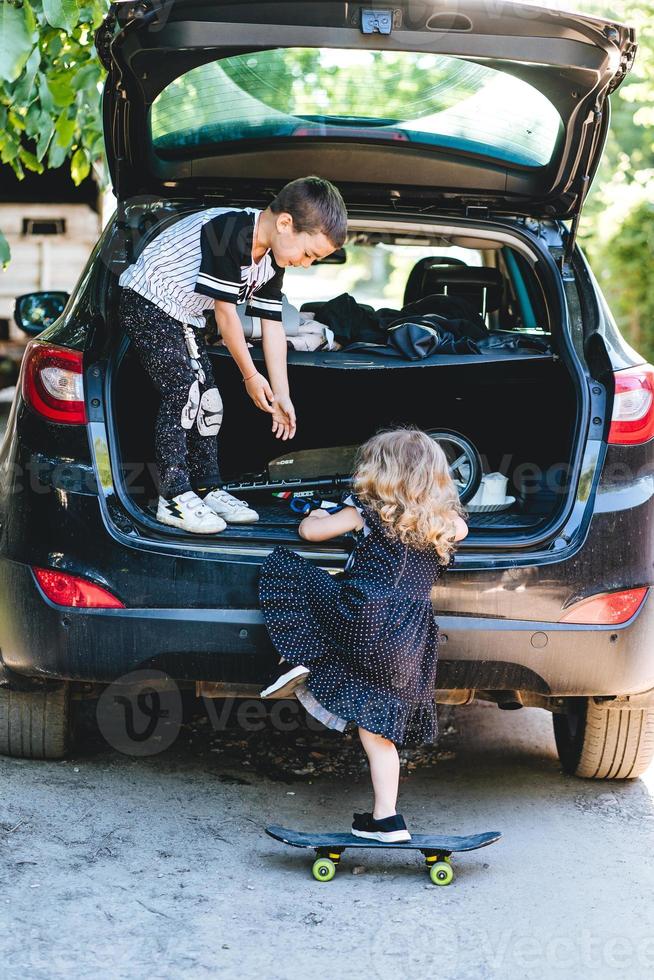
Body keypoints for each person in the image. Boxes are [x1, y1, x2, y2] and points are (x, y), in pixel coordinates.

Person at [258, 428, 468, 842]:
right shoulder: (449, 525)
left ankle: (305, 660)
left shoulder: (366, 511)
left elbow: (310, 535)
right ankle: (386, 818)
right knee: (379, 731)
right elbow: (457, 525)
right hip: (409, 635)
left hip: (363, 612)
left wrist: (317, 517)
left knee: (286, 571)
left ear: (379, 473)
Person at [118, 176, 347, 533]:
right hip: (147, 301)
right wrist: (250, 377)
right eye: (309, 253)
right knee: (183, 391)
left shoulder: (272, 261)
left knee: (209, 399)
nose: (306, 263)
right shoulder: (232, 231)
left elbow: (272, 325)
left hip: (184, 314)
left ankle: (207, 487)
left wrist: (282, 392)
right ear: (285, 223)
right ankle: (174, 495)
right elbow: (226, 316)